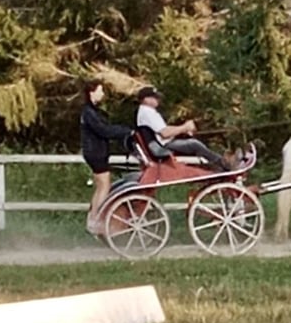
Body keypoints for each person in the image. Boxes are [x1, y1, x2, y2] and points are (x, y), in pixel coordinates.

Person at [135, 86, 232, 171]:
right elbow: (165, 133)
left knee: (193, 143)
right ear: (145, 99)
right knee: (194, 144)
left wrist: (183, 130)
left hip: (161, 144)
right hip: (162, 147)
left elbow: (164, 129)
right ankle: (223, 164)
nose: (158, 100)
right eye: (155, 97)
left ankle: (218, 165)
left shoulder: (147, 112)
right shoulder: (148, 112)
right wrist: (184, 127)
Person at [80, 79, 133, 235]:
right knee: (104, 185)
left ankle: (93, 218)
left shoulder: (90, 111)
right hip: (96, 152)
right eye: (100, 90)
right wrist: (124, 132)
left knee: (100, 186)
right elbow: (103, 130)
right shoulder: (89, 113)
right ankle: (96, 219)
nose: (102, 94)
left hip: (94, 152)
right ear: (92, 92)